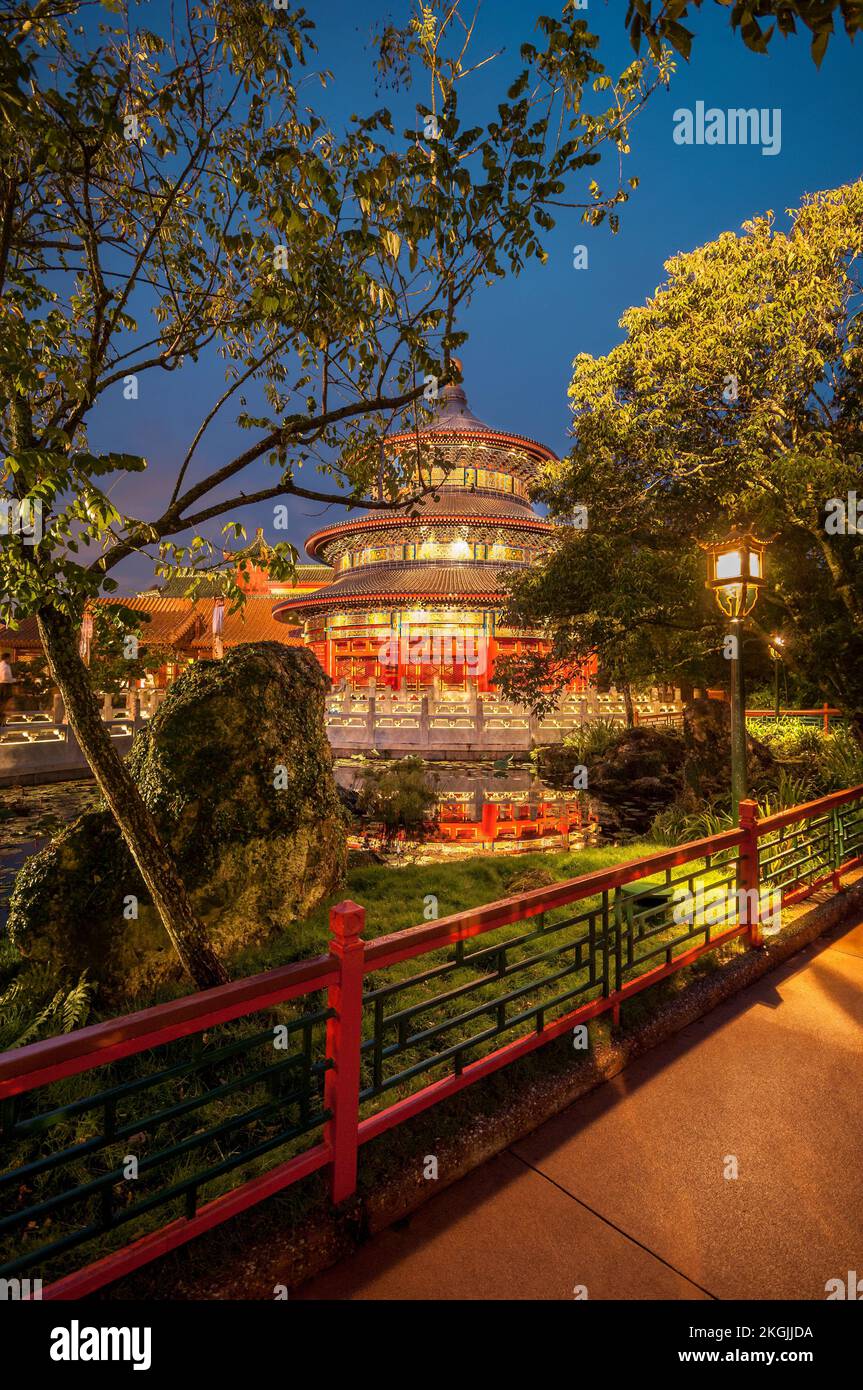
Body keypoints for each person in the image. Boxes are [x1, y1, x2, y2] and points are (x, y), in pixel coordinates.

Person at [0, 652, 15, 724]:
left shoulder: (2, 665)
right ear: (6, 658)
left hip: (3, 685)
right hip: (5, 685)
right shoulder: (4, 666)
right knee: (4, 703)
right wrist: (16, 680)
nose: (11, 659)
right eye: (10, 658)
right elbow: (5, 678)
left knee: (3, 702)